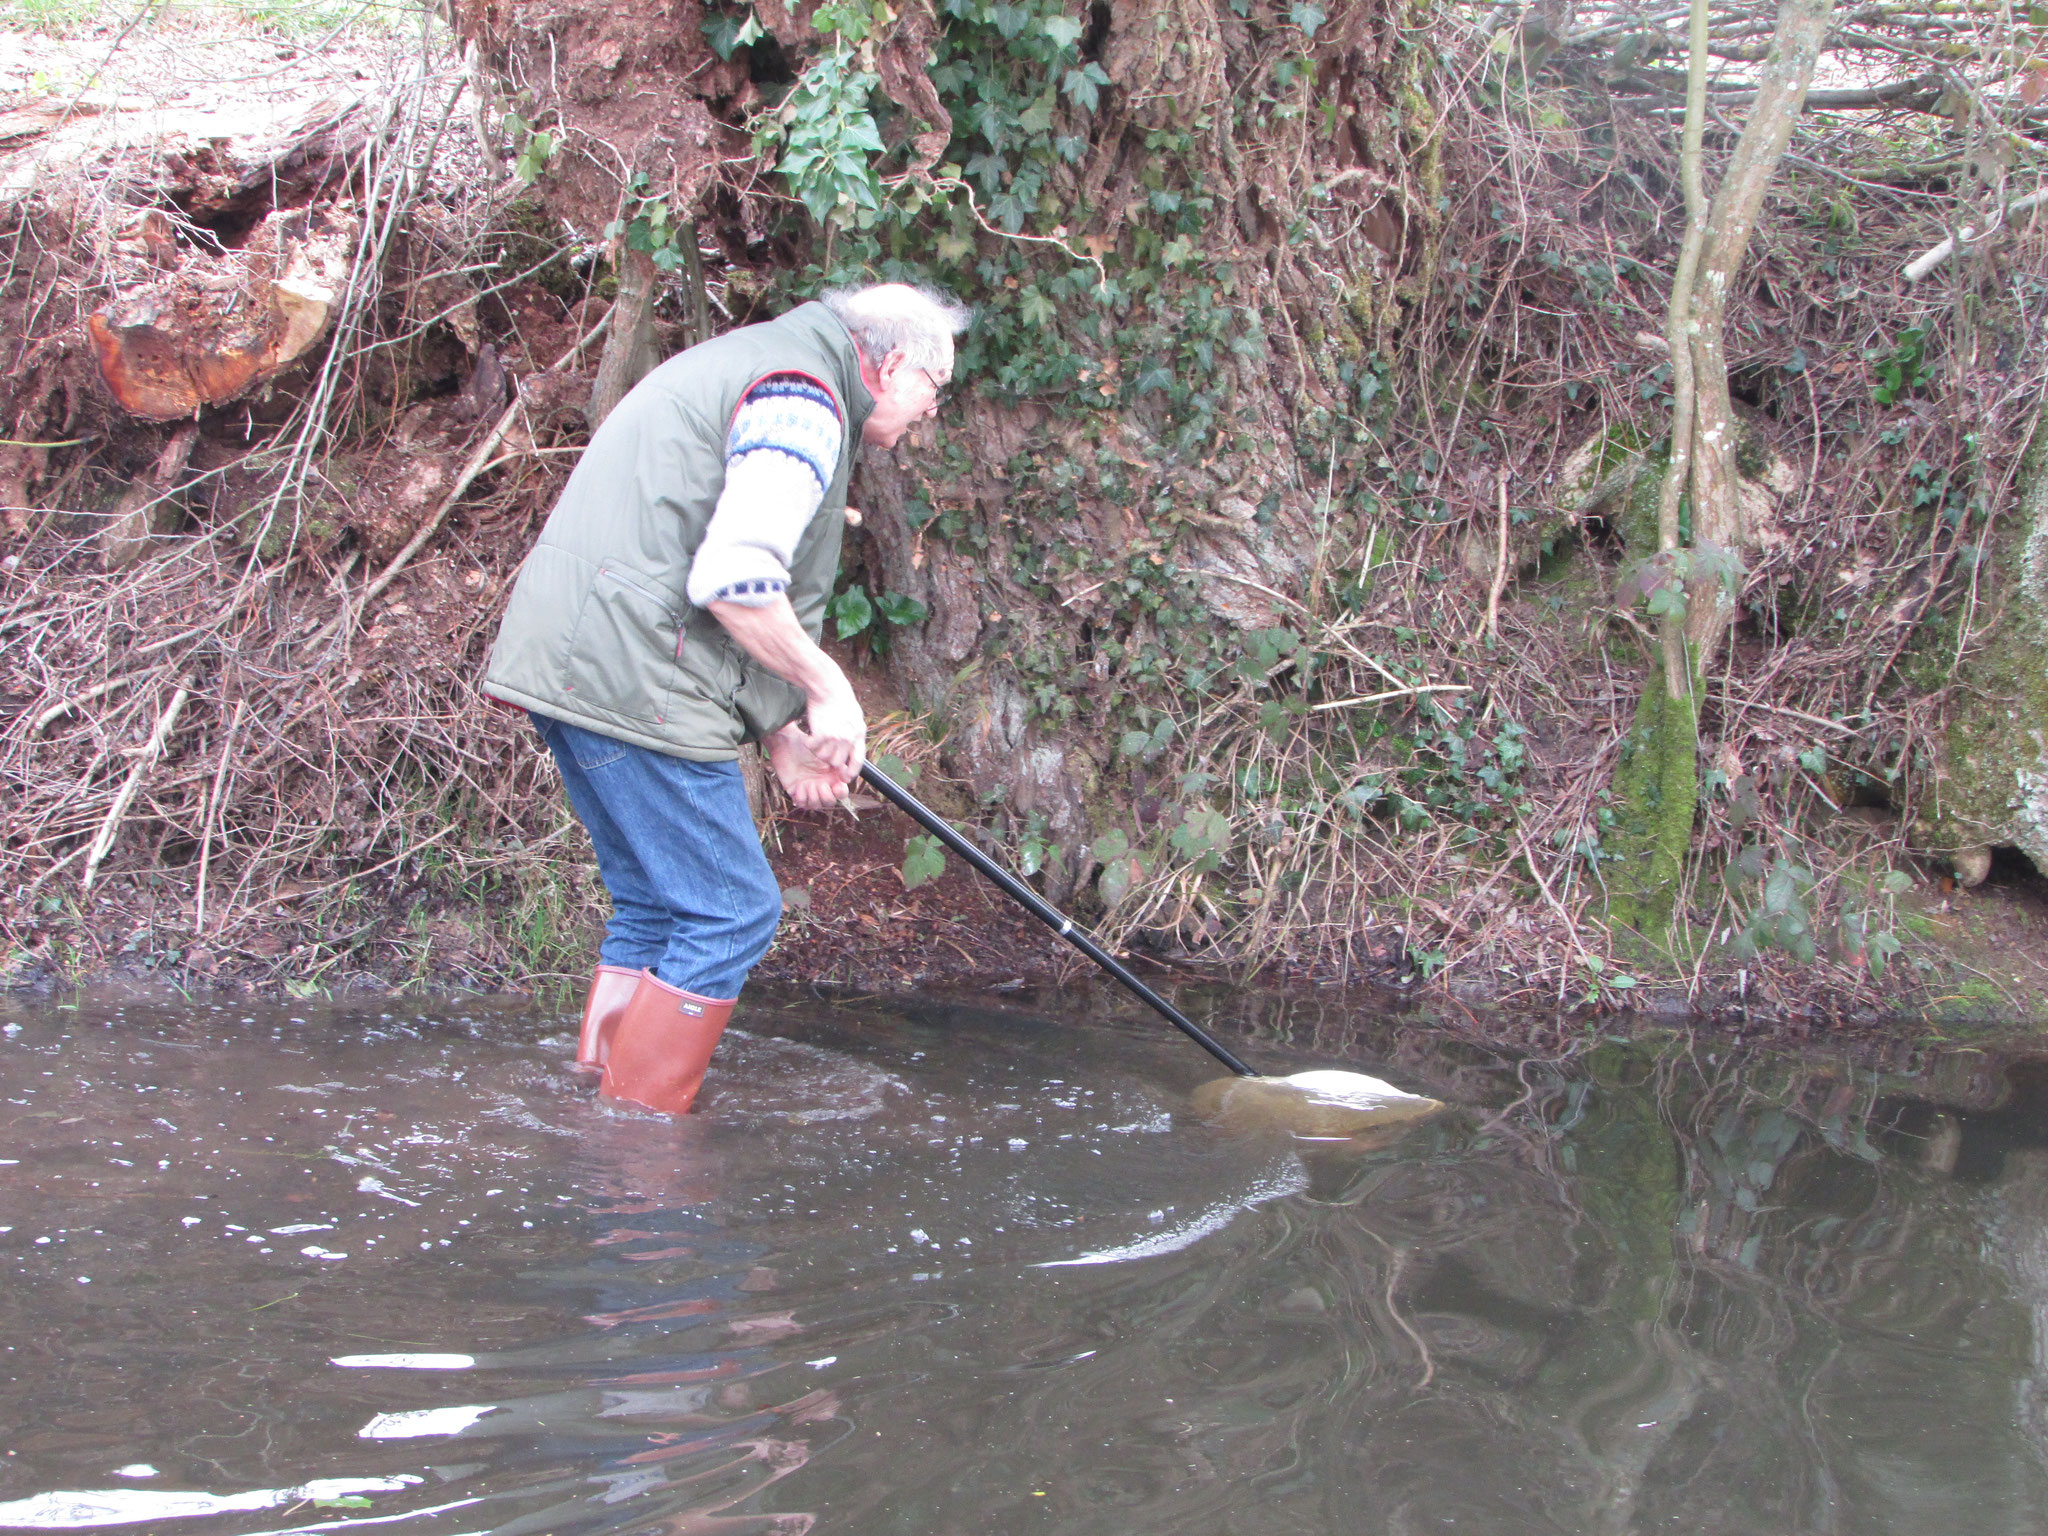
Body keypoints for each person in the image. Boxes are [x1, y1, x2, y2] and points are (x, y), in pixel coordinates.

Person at [483, 282, 970, 1114]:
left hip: (578, 664)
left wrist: (780, 735)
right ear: (890, 366)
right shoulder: (802, 401)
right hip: (639, 676)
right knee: (730, 912)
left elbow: (690, 557)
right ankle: (636, 1135)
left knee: (654, 903)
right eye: (936, 389)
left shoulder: (753, 363)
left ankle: (598, 1103)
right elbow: (732, 583)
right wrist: (828, 689)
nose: (934, 412)